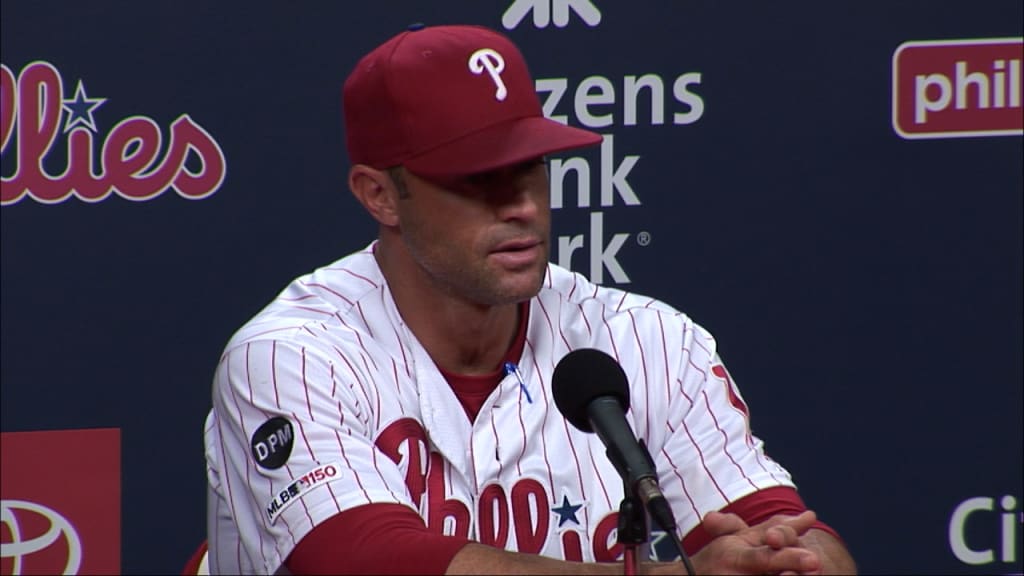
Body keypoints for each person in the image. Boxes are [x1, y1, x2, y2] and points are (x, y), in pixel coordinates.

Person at [203, 23, 857, 575]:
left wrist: (794, 561)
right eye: (476, 179)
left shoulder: (648, 340)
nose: (520, 206)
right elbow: (362, 558)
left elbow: (784, 525)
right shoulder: (290, 355)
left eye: (530, 168)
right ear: (379, 194)